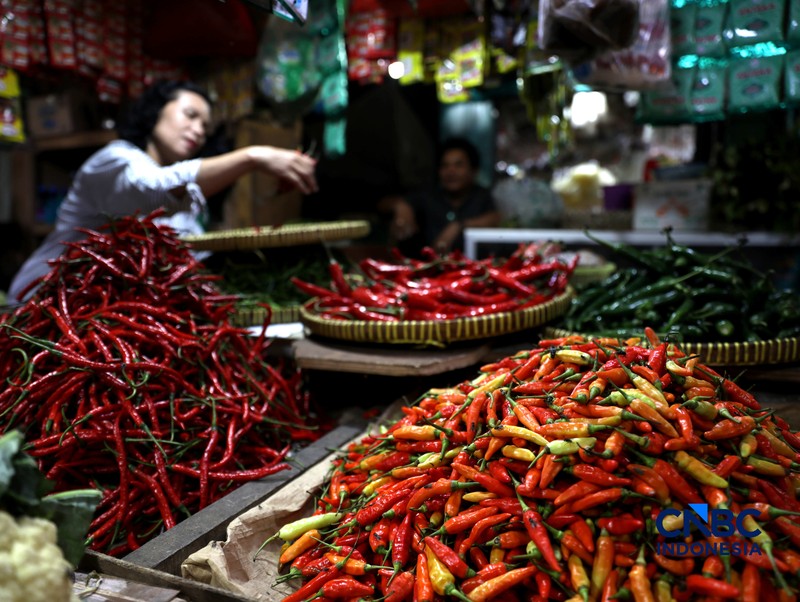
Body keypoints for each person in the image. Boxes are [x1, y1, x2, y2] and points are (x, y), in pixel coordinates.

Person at [8, 80, 318, 302]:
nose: (198, 130)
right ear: (156, 111)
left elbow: (195, 257)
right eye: (190, 115)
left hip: (99, 311)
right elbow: (154, 191)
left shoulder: (185, 204)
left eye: (206, 127)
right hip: (42, 301)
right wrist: (252, 157)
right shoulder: (115, 161)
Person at [379, 136, 501, 256]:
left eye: (458, 165)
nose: (451, 171)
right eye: (445, 165)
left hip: (473, 265)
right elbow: (382, 203)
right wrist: (401, 206)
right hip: (429, 266)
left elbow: (497, 218)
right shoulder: (429, 195)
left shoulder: (482, 196)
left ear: (473, 171)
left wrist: (459, 225)